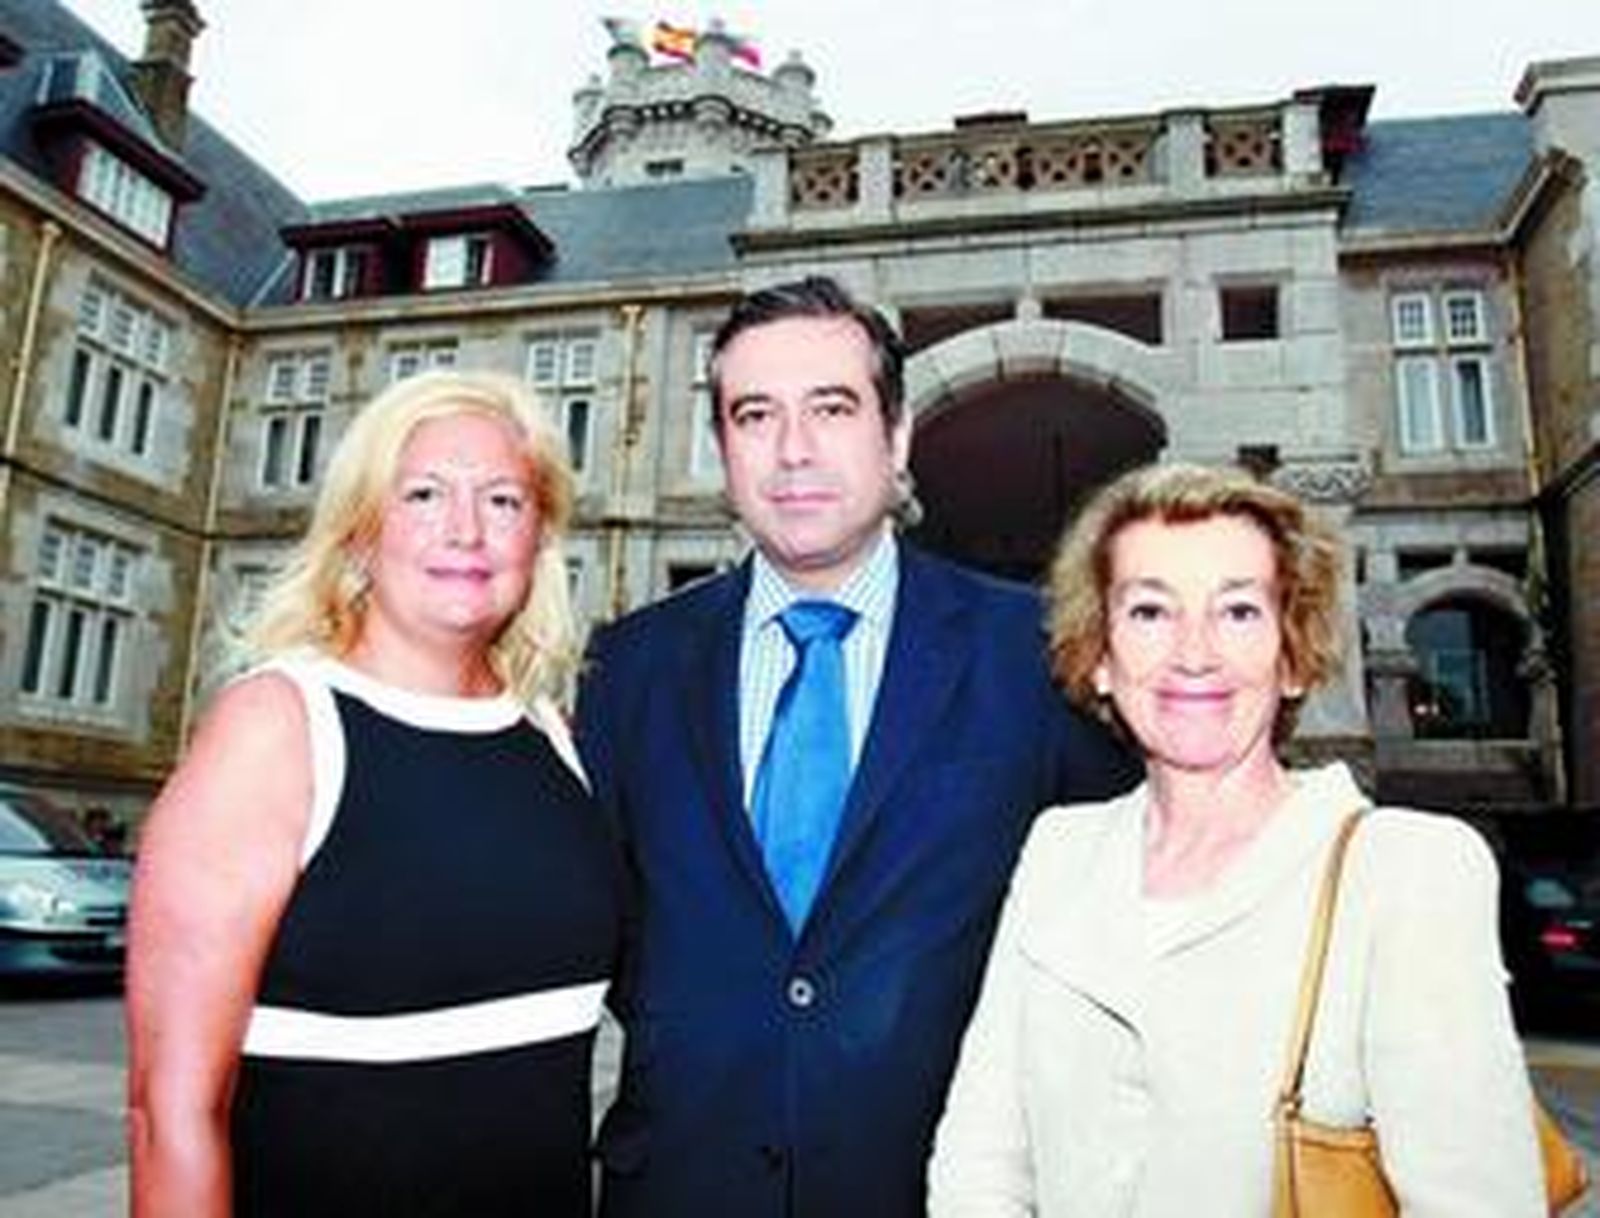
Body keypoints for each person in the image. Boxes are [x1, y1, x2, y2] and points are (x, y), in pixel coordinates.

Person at [575, 275, 1137, 1218]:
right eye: (755, 415)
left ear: (897, 434)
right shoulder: (630, 668)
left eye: (831, 408)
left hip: (935, 1188)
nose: (793, 451)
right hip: (681, 1184)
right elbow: (615, 926)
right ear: (722, 446)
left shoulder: (1036, 657)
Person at [929, 461, 1546, 1216]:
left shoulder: (1407, 871)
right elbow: (982, 1156)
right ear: (1098, 658)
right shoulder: (1059, 851)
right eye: (1151, 612)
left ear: (1291, 656)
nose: (1196, 654)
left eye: (1239, 612)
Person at [126, 370, 621, 1218]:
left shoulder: (556, 741)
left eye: (502, 500)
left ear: (539, 537)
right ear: (359, 533)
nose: (465, 530)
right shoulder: (277, 728)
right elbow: (169, 1113)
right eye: (424, 493)